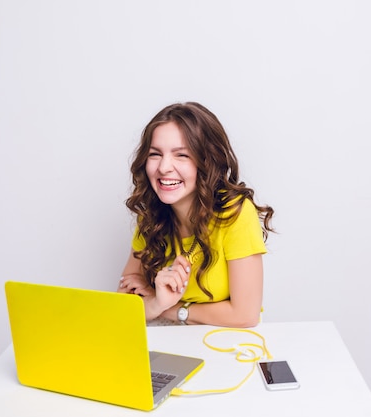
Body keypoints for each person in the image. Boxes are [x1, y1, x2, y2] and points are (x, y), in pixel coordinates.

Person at [117, 102, 274, 327]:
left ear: (207, 162)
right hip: (167, 341)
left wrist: (170, 309)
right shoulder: (151, 216)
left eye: (181, 155)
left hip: (226, 342)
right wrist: (156, 304)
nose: (164, 167)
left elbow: (245, 315)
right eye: (155, 154)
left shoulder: (235, 213)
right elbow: (123, 306)